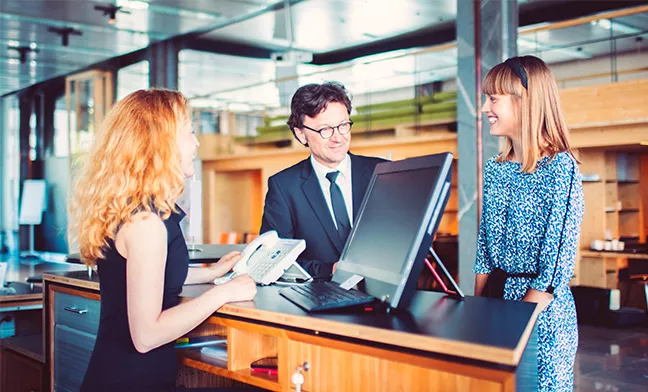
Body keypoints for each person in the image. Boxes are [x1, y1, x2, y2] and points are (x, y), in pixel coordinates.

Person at [70, 89, 257, 392]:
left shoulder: (132, 210)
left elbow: (144, 277)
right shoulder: (146, 224)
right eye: (189, 132)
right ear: (158, 143)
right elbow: (146, 336)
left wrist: (210, 273)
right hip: (131, 382)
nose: (197, 142)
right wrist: (224, 293)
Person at [473, 56, 584, 392]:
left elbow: (555, 268)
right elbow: (484, 250)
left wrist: (516, 326)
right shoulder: (496, 168)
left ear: (525, 99)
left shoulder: (560, 168)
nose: (484, 108)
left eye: (493, 99)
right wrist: (476, 313)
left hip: (542, 316)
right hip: (498, 306)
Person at [260, 82, 386, 278]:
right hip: (317, 299)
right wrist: (329, 271)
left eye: (344, 126)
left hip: (385, 298)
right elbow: (273, 260)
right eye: (325, 130)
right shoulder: (283, 187)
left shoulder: (383, 172)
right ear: (301, 134)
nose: (338, 138)